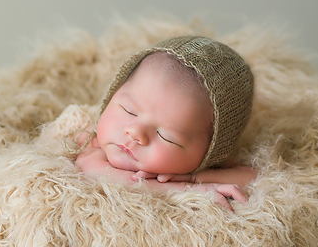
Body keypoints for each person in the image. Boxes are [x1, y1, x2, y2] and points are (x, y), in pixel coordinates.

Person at [74, 36, 256, 210]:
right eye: (128, 110)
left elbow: (254, 177)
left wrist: (195, 177)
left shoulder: (213, 160)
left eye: (166, 136)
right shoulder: (93, 138)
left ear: (211, 154)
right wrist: (183, 188)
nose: (135, 131)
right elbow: (93, 171)